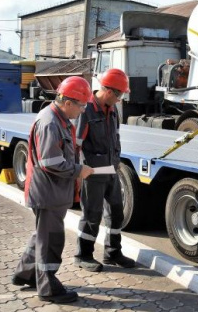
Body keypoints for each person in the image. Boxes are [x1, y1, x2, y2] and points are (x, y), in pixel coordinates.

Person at [12, 76, 94, 304]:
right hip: (48, 194)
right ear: (69, 102)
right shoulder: (50, 122)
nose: (83, 109)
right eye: (82, 105)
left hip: (51, 192)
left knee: (42, 235)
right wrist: (79, 170)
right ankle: (48, 288)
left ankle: (25, 273)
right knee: (50, 240)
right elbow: (50, 161)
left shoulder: (59, 118)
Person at [74, 68, 136, 272]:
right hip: (92, 173)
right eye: (119, 95)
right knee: (92, 215)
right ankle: (83, 255)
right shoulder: (86, 111)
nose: (119, 100)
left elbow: (115, 139)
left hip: (111, 170)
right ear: (109, 92)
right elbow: (77, 144)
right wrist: (78, 171)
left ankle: (113, 253)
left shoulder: (113, 111)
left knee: (117, 213)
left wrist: (116, 161)